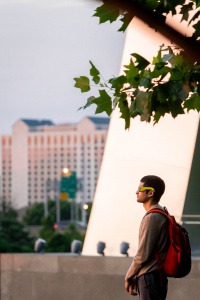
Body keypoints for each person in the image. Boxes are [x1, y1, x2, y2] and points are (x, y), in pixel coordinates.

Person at [125, 175, 169, 300]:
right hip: (155, 276)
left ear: (150, 193)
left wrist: (128, 275)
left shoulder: (152, 218)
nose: (136, 192)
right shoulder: (161, 213)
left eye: (140, 189)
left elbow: (143, 254)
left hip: (150, 276)